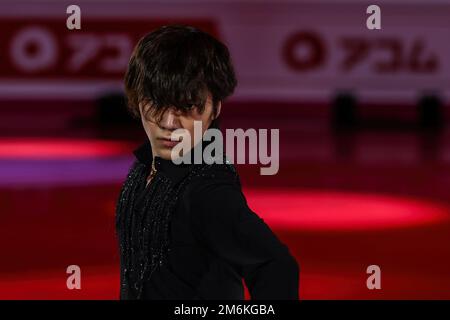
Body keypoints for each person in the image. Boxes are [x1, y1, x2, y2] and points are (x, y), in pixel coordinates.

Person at [116, 24, 299, 300]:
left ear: (215, 108)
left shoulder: (207, 190)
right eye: (156, 102)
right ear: (137, 100)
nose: (168, 123)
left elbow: (276, 267)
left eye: (187, 107)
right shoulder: (144, 166)